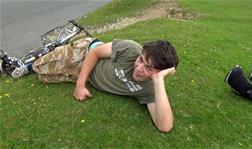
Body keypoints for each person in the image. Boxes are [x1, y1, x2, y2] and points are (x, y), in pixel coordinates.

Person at [31, 37, 179, 132]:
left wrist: (158, 81)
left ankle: (56, 50)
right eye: (141, 60)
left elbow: (164, 126)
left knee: (43, 78)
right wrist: (80, 85)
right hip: (85, 53)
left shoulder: (152, 89)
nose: (139, 68)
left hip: (86, 75)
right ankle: (53, 50)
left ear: (161, 73)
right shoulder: (130, 48)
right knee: (37, 67)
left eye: (149, 69)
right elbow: (94, 53)